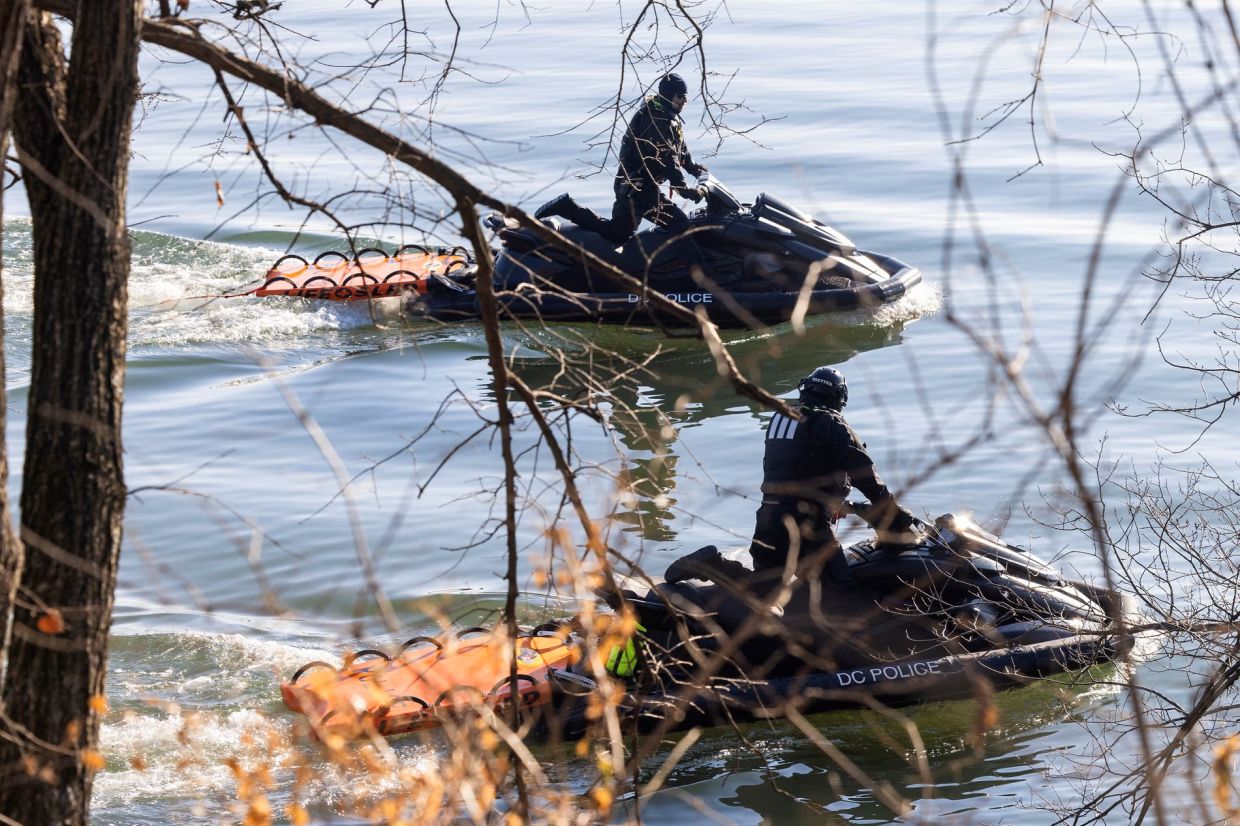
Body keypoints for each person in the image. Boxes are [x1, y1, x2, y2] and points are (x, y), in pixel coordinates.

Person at [666, 366, 916, 588]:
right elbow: (865, 474)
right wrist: (893, 511)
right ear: (839, 398)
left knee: (765, 585)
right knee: (839, 587)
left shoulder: (780, 417)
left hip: (769, 516)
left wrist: (843, 505)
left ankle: (713, 565)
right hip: (809, 522)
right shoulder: (830, 422)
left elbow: (797, 470)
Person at [534, 73, 708, 246]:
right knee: (679, 224)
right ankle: (693, 269)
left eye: (686, 97)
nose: (685, 101)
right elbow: (667, 159)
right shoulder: (656, 121)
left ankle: (567, 207)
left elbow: (680, 149)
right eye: (681, 97)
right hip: (638, 189)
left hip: (636, 185)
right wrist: (684, 190)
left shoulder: (667, 116)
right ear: (670, 96)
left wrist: (693, 168)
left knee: (617, 234)